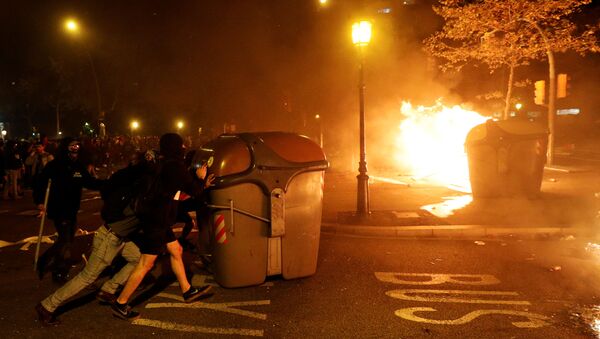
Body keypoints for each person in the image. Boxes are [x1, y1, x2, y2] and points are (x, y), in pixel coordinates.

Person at [34, 153, 157, 326]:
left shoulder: (132, 181)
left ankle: (109, 289)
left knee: (140, 261)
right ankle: (47, 306)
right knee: (87, 277)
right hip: (111, 237)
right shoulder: (141, 187)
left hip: (120, 237)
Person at [111, 133, 214, 321]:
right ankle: (120, 303)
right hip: (157, 219)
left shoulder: (161, 162)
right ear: (177, 147)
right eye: (181, 145)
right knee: (146, 263)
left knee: (176, 249)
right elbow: (195, 191)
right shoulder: (176, 166)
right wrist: (202, 179)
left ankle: (187, 290)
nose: (183, 148)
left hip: (155, 216)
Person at [34, 137, 104, 283]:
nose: (75, 148)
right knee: (65, 239)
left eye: (77, 145)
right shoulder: (56, 164)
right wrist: (39, 201)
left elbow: (89, 182)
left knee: (68, 239)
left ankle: (51, 262)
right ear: (66, 147)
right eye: (72, 145)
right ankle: (54, 267)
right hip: (59, 207)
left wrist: (108, 184)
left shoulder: (78, 165)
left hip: (72, 208)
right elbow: (40, 182)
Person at [26, 142, 54, 207]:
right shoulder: (35, 155)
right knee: (36, 191)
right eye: (37, 147)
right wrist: (31, 155)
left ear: (43, 147)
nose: (38, 148)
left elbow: (53, 164)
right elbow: (27, 163)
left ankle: (44, 204)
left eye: (39, 147)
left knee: (43, 190)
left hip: (45, 175)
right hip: (36, 175)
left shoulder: (47, 155)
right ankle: (39, 203)